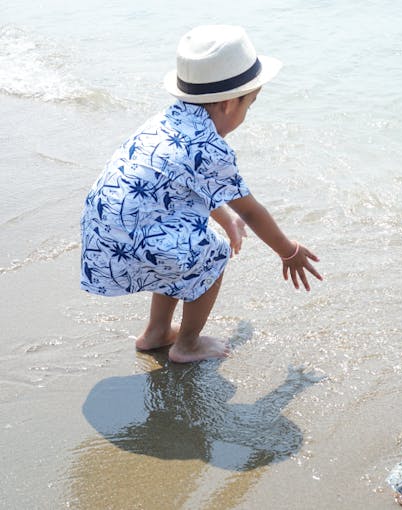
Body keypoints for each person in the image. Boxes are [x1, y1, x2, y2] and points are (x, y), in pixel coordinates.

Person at [80, 25, 322, 363]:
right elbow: (252, 211)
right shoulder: (210, 147)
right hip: (133, 237)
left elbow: (181, 187)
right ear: (227, 104)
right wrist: (288, 251)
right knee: (211, 252)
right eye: (249, 104)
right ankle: (187, 344)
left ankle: (156, 332)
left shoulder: (167, 120)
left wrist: (226, 217)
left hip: (106, 229)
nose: (247, 113)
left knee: (178, 242)